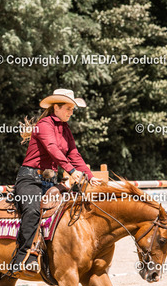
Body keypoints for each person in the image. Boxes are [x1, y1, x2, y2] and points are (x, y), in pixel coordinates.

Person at [9, 89, 103, 275]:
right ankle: (22, 256)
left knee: (76, 206)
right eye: (68, 108)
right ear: (56, 107)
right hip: (30, 179)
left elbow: (73, 154)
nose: (71, 112)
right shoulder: (44, 125)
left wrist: (90, 176)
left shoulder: (65, 128)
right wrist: (72, 171)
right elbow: (52, 149)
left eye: (72, 109)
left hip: (49, 181)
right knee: (33, 209)